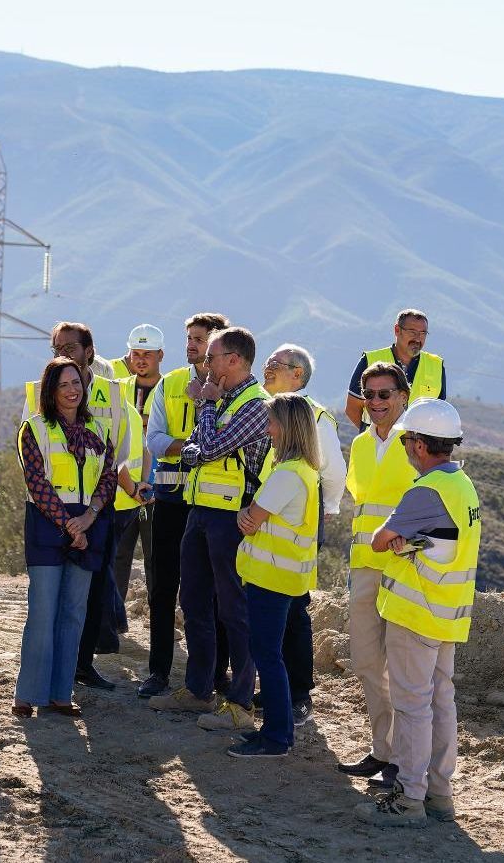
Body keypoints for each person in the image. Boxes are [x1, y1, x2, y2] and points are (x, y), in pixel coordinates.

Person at [355, 399, 479, 828]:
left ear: (422, 445)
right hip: (447, 614)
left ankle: (408, 798)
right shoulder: (462, 486)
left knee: (412, 707)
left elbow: (378, 540)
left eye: (408, 439)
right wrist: (412, 541)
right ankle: (440, 797)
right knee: (441, 702)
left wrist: (401, 542)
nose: (405, 446)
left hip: (416, 612)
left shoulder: (425, 491)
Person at [148, 326, 270, 732]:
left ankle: (238, 703)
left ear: (233, 360)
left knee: (234, 609)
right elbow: (194, 450)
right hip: (199, 511)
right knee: (195, 602)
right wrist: (208, 417)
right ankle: (197, 689)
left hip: (231, 519)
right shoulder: (223, 401)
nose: (205, 364)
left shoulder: (256, 404)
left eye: (212, 357)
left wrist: (205, 406)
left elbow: (207, 450)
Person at [36, 322, 140, 691]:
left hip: (98, 507)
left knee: (94, 588)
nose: (64, 354)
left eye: (72, 347)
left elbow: (118, 454)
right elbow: (31, 455)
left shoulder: (113, 394)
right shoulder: (38, 392)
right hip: (52, 511)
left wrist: (98, 506)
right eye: (57, 348)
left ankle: (82, 664)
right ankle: (48, 670)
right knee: (51, 595)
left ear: (90, 352)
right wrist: (65, 517)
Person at [12, 357, 116, 718]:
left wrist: (88, 519)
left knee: (74, 613)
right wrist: (70, 526)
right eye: (64, 384)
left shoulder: (100, 430)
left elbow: (109, 478)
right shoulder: (34, 428)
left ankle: (60, 693)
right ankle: (28, 694)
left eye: (77, 383)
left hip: (89, 524)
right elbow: (36, 484)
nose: (73, 390)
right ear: (51, 390)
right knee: (42, 612)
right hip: (47, 525)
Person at [138, 312, 229, 698]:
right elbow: (154, 439)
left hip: (211, 503)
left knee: (214, 592)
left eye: (200, 338)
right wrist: (192, 449)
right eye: (189, 337)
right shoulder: (170, 383)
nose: (191, 344)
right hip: (171, 500)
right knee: (163, 587)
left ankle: (214, 675)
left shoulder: (234, 388)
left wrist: (191, 448)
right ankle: (158, 671)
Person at [227, 394, 321, 759]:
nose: (268, 430)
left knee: (267, 654)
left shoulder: (286, 475)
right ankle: (274, 732)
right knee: (271, 653)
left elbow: (251, 519)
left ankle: (277, 737)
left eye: (272, 422)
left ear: (288, 427)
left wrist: (244, 516)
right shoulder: (304, 471)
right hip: (282, 577)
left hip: (271, 577)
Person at [335, 362, 417, 781]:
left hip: (405, 568)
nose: (377, 403)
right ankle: (382, 749)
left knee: (403, 669)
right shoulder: (363, 444)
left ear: (403, 396)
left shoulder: (417, 441)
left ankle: (403, 757)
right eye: (370, 396)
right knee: (368, 661)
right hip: (366, 564)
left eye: (385, 395)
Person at [258, 343, 346, 724]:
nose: (268, 367)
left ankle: (298, 692)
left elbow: (334, 472)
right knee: (273, 606)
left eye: (276, 364)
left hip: (296, 520)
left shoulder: (313, 415)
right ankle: (277, 687)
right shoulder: (267, 408)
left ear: (298, 374)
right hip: (269, 515)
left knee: (293, 607)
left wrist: (323, 515)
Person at [111, 324, 164, 625]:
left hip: (159, 489)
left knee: (157, 560)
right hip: (124, 488)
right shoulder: (117, 388)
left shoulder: (171, 390)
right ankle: (115, 622)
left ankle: (159, 622)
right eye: (136, 353)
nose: (141, 359)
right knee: (119, 557)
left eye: (147, 354)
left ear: (160, 355)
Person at [344, 309, 445, 429]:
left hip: (417, 446)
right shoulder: (370, 360)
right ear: (397, 330)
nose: (418, 339)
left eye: (423, 333)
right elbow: (352, 408)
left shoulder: (436, 365)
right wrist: (373, 437)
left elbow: (439, 413)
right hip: (376, 446)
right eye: (412, 332)